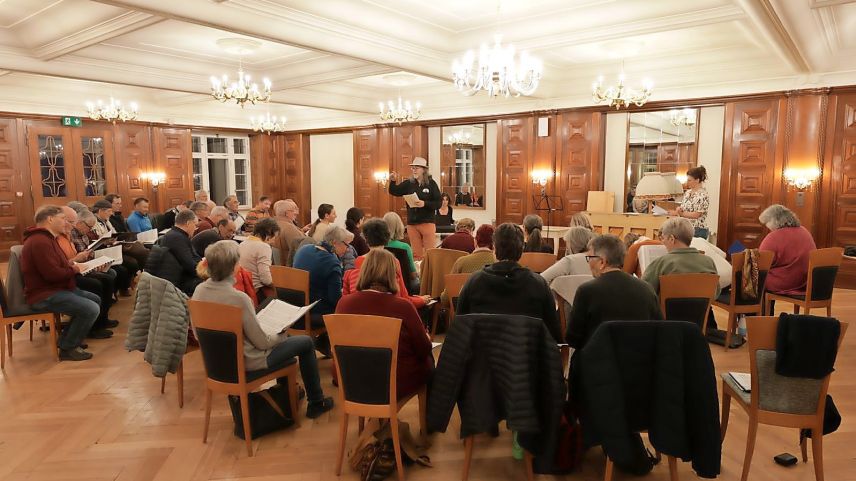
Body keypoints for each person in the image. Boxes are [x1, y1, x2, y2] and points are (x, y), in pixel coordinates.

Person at [192, 240, 334, 418]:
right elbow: (262, 343)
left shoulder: (198, 291)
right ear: (234, 267)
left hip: (217, 364)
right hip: (248, 361)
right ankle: (316, 402)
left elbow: (198, 334)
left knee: (288, 339)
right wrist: (280, 334)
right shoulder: (238, 298)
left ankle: (288, 396)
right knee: (305, 342)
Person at [335, 249, 433, 399]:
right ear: (393, 275)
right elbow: (423, 348)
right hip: (392, 382)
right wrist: (425, 336)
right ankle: (429, 419)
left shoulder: (344, 304)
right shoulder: (402, 306)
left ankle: (380, 420)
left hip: (352, 379)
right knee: (428, 361)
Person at [455, 223, 560, 342]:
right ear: (522, 249)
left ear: (494, 248)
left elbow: (460, 327)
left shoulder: (474, 282)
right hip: (526, 355)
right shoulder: (538, 284)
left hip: (484, 355)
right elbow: (553, 332)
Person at [21, 205, 100, 361]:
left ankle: (67, 339)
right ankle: (68, 348)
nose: (66, 223)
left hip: (56, 288)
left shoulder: (48, 239)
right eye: (63, 219)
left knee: (95, 299)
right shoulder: (39, 241)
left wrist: (73, 265)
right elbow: (52, 275)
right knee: (91, 308)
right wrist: (76, 269)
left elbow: (59, 265)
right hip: (44, 295)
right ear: (50, 219)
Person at [567, 235, 662, 351]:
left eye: (590, 258)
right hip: (637, 363)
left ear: (602, 262)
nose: (588, 263)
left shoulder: (587, 290)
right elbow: (659, 331)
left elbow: (572, 338)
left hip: (596, 363)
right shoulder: (646, 289)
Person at [642, 218, 720, 328]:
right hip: (698, 325)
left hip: (667, 324)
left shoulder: (661, 263)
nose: (662, 242)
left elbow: (645, 294)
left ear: (671, 238)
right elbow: (715, 293)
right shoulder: (708, 262)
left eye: (663, 238)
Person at [342, 218, 431, 310]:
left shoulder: (357, 261)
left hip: (360, 312)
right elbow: (403, 297)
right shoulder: (393, 262)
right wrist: (421, 300)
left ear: (365, 239)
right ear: (387, 237)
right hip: (388, 312)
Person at [292, 225, 353, 333]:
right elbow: (335, 300)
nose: (348, 249)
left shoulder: (304, 249)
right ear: (334, 242)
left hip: (295, 308)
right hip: (315, 311)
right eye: (346, 244)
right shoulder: (332, 263)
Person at [387, 157, 441, 260]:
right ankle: (418, 274)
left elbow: (438, 203)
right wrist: (393, 181)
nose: (414, 170)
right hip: (412, 224)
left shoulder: (431, 184)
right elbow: (395, 191)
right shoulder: (409, 183)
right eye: (413, 168)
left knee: (430, 254)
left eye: (417, 168)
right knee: (416, 254)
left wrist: (424, 204)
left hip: (427, 222)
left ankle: (428, 275)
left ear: (424, 170)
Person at [758, 204, 816, 296]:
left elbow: (761, 263)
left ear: (775, 220)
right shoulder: (804, 231)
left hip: (784, 282)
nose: (767, 227)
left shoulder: (774, 237)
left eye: (767, 222)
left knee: (751, 278)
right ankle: (767, 309)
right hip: (805, 281)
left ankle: (758, 310)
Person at [439, 224, 496, 307]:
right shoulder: (498, 263)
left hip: (465, 316)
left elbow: (446, 299)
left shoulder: (461, 262)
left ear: (475, 241)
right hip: (492, 315)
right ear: (494, 243)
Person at [159, 209, 202, 295]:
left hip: (181, 276)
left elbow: (193, 258)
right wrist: (207, 272)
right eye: (195, 225)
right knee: (214, 283)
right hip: (179, 282)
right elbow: (190, 265)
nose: (195, 228)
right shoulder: (176, 237)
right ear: (189, 223)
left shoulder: (177, 235)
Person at [237, 218, 281, 302]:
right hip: (258, 292)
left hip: (245, 288)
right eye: (274, 237)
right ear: (268, 234)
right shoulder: (263, 247)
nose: (274, 241)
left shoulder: (243, 244)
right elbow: (266, 279)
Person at [669, 165, 711, 240]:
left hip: (698, 230)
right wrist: (678, 210)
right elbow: (684, 208)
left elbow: (696, 215)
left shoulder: (703, 194)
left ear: (697, 180)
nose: (687, 182)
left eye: (689, 180)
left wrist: (681, 213)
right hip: (686, 228)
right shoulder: (688, 192)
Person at [383, 211, 418, 284]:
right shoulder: (405, 247)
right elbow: (413, 275)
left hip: (383, 284)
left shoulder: (378, 246)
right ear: (399, 227)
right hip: (403, 285)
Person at [271, 199, 307, 266]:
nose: (296, 213)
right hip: (290, 268)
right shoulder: (289, 228)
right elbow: (301, 251)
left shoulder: (274, 224)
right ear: (287, 213)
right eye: (293, 210)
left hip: (277, 268)